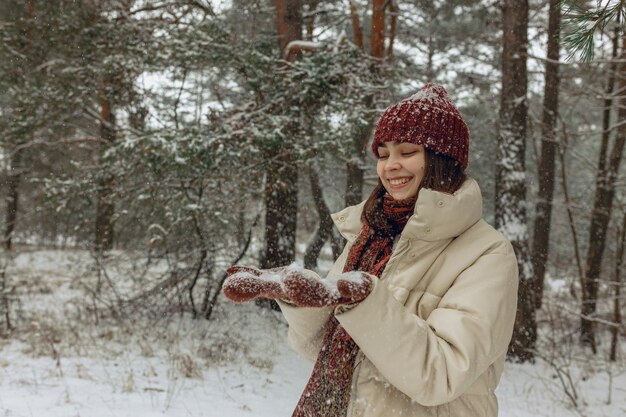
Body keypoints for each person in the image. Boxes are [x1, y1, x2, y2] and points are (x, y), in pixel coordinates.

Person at [223, 83, 519, 417]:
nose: (390, 165)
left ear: (442, 159)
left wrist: (364, 300)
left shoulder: (487, 252)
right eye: (383, 154)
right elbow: (324, 348)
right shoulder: (370, 234)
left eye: (407, 152)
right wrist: (301, 298)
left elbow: (442, 374)